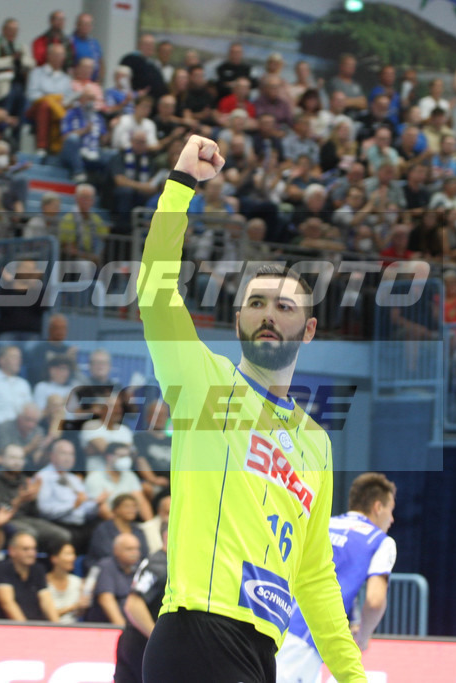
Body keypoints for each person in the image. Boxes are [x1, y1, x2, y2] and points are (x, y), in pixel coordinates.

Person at [136, 135, 364, 681]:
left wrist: (353, 674)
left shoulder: (316, 443)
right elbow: (154, 292)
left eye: (284, 307)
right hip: (197, 633)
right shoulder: (203, 383)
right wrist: (180, 186)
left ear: (308, 330)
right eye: (255, 303)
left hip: (263, 653)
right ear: (239, 320)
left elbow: (314, 577)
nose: (267, 314)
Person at [277, 473, 397, 682]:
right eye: (391, 510)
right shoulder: (380, 541)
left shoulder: (324, 524)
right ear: (378, 507)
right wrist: (364, 636)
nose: (392, 519)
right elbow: (375, 601)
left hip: (273, 622)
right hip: (306, 639)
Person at [0, 445, 72, 550]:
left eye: (21, 458)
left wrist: (34, 499)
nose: (17, 462)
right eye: (13, 458)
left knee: (63, 535)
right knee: (30, 534)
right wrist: (19, 500)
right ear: (2, 459)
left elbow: (35, 513)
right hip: (6, 523)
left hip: (28, 520)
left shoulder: (25, 481)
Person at [115, 521, 168, 683]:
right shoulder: (159, 565)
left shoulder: (162, 561)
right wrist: (156, 640)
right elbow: (133, 605)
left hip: (135, 642)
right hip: (141, 643)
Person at [0, 531, 59, 621]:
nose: (31, 553)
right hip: (7, 627)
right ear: (12, 551)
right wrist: (26, 629)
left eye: (34, 549)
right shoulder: (2, 569)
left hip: (35, 625)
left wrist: (57, 625)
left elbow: (46, 601)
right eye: (26, 549)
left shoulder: (38, 569)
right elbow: (7, 603)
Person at [47, 541, 85, 624]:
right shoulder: (42, 583)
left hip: (74, 629)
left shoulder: (77, 582)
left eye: (73, 554)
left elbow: (80, 614)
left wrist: (83, 605)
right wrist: (72, 608)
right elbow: (45, 614)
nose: (73, 558)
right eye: (68, 554)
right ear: (54, 558)